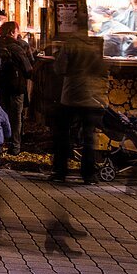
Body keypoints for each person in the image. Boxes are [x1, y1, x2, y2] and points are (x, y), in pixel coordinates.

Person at [51, 34, 109, 184]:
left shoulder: (70, 44)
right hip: (91, 97)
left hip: (71, 95)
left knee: (63, 133)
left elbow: (59, 68)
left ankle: (60, 171)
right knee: (89, 137)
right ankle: (89, 174)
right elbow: (103, 69)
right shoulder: (97, 46)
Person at [0, 20, 34, 155]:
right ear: (12, 32)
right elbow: (28, 69)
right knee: (16, 117)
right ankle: (15, 146)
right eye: (16, 31)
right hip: (16, 87)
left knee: (1, 115)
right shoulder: (16, 48)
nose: (18, 33)